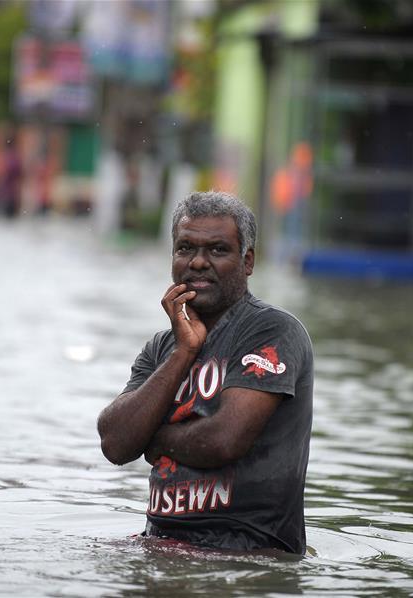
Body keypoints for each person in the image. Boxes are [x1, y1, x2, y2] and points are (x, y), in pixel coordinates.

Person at [97, 191, 314, 554]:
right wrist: (185, 352)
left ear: (247, 262)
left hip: (245, 551)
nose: (198, 262)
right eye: (185, 249)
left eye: (217, 250)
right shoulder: (163, 348)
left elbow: (224, 439)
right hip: (159, 542)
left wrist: (156, 439)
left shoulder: (273, 331)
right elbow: (115, 444)